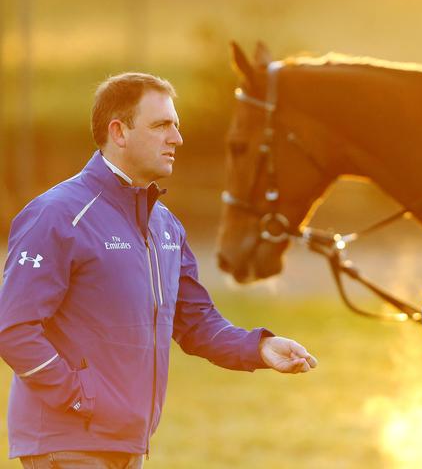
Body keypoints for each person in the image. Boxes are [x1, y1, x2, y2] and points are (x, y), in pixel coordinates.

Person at [0, 72, 318, 468]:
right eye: (161, 125)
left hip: (130, 446)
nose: (176, 139)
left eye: (177, 126)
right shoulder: (57, 214)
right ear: (119, 132)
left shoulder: (165, 225)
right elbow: (13, 329)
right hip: (67, 446)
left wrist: (259, 347)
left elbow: (195, 321)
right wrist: (80, 396)